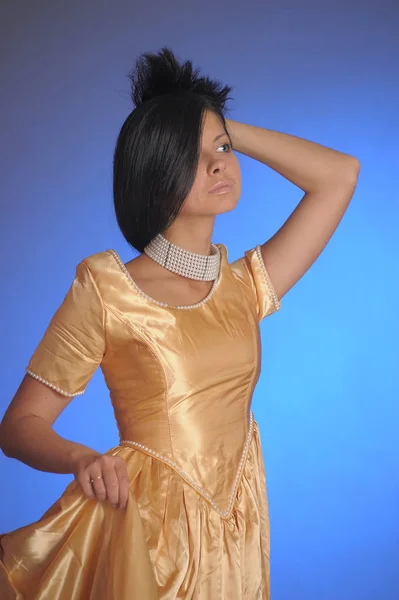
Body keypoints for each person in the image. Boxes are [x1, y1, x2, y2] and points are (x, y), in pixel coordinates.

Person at [0, 47, 360, 600]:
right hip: (146, 536)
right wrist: (82, 458)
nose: (219, 164)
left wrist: (209, 118)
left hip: (236, 533)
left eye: (221, 149)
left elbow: (339, 175)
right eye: (192, 156)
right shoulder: (107, 290)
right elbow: (19, 424)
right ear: (156, 171)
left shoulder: (244, 288)